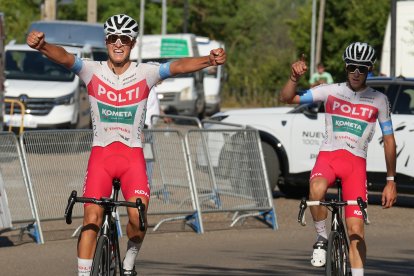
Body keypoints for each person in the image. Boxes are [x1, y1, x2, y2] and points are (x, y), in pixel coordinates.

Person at [27, 14, 226, 276]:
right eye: (112, 38)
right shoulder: (92, 70)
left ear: (132, 43)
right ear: (106, 41)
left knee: (137, 220)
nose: (118, 44)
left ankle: (129, 261)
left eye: (124, 39)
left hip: (132, 158)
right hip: (102, 156)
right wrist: (42, 46)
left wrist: (208, 61)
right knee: (91, 219)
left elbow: (177, 66)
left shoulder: (146, 72)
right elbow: (64, 57)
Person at [279, 42, 397, 276]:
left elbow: (389, 140)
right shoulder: (330, 90)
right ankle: (322, 237)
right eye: (352, 67)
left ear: (369, 69)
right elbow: (287, 98)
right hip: (329, 157)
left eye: (362, 69)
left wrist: (391, 180)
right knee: (316, 188)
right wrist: (293, 78)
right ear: (345, 66)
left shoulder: (379, 100)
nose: (356, 73)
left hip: (355, 164)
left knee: (356, 232)